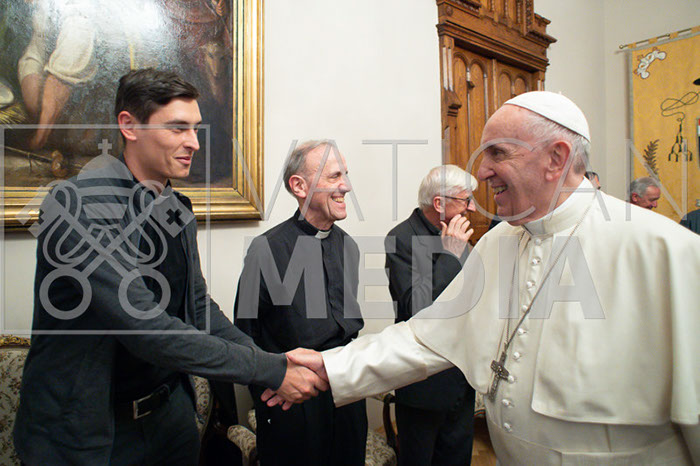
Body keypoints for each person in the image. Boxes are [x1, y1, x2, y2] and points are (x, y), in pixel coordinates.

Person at [271, 91, 700, 464]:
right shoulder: (499, 242)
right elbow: (428, 335)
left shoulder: (666, 251)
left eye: (498, 153)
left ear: (556, 158)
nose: (482, 172)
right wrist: (330, 366)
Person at [13, 68, 326, 465]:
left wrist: (269, 363)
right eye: (178, 128)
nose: (193, 142)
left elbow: (199, 308)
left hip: (170, 423)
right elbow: (147, 328)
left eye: (195, 128)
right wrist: (271, 371)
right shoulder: (76, 206)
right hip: (88, 436)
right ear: (129, 126)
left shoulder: (175, 208)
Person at [234, 140, 367, 465]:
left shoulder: (349, 247)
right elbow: (245, 333)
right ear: (299, 186)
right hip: (292, 405)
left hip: (347, 395)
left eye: (346, 175)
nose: (346, 186)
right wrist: (273, 390)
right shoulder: (266, 249)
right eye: (335, 176)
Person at [385, 164, 477, 465]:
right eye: (466, 200)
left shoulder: (459, 236)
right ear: (439, 204)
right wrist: (450, 254)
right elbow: (416, 308)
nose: (472, 208)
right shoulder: (401, 238)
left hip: (461, 378)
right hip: (423, 385)